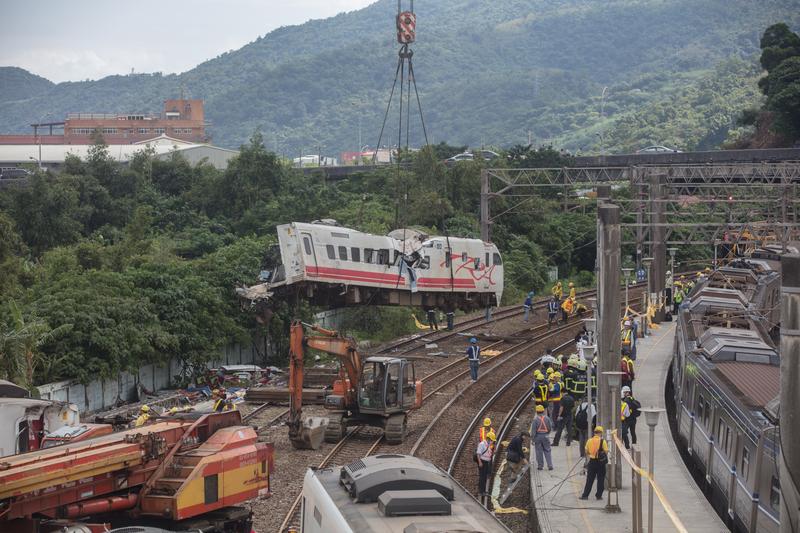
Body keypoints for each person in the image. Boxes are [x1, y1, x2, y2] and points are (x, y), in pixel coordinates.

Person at [580, 426, 609, 500]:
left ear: (594, 432)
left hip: (592, 462)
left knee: (589, 479)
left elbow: (586, 451)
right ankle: (598, 496)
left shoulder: (589, 441)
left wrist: (591, 454)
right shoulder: (603, 441)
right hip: (601, 463)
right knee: (601, 479)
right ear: (601, 433)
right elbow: (606, 451)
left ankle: (585, 495)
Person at [531, 404, 554, 470]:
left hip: (538, 437)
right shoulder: (547, 418)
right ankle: (550, 465)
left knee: (539, 451)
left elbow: (533, 431)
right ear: (543, 411)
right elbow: (550, 427)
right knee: (547, 450)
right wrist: (547, 434)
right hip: (546, 436)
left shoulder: (535, 420)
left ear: (536, 411)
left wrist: (533, 439)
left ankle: (540, 466)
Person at [476, 429, 496, 497]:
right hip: (482, 462)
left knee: (484, 477)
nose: (492, 442)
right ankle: (480, 491)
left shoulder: (487, 444)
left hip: (486, 463)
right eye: (492, 440)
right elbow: (478, 454)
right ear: (488, 439)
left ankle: (483, 491)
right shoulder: (482, 444)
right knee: (482, 477)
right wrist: (480, 462)